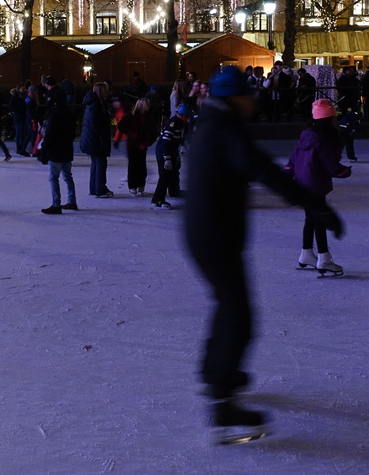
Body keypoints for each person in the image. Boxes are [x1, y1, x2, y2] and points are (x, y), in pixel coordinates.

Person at [184, 66, 344, 444]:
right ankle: (223, 406)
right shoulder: (226, 129)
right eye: (249, 97)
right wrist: (314, 204)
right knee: (239, 316)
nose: (254, 104)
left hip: (206, 234)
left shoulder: (211, 123)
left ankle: (215, 375)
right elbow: (262, 169)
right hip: (215, 237)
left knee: (228, 307)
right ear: (235, 98)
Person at [286, 99, 352, 275]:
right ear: (329, 119)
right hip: (315, 183)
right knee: (319, 218)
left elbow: (293, 157)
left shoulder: (306, 135)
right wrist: (344, 171)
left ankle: (306, 253)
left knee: (310, 218)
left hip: (302, 182)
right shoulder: (323, 140)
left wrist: (289, 170)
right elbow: (330, 165)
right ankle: (324, 258)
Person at [39, 89, 78, 214]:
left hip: (56, 151)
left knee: (53, 178)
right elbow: (73, 133)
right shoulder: (70, 115)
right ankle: (72, 201)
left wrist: (44, 150)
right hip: (67, 150)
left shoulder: (54, 116)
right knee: (68, 177)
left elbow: (49, 135)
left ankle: (56, 204)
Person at [149, 103, 190, 209]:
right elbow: (165, 142)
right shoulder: (173, 123)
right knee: (164, 176)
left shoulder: (180, 123)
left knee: (171, 174)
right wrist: (167, 158)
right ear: (183, 115)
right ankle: (156, 201)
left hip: (171, 151)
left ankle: (166, 197)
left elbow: (176, 141)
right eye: (187, 116)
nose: (188, 119)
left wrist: (176, 155)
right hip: (163, 152)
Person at [114, 97, 157, 195]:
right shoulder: (131, 116)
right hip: (132, 144)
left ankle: (141, 185)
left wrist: (148, 141)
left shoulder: (149, 117)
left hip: (143, 144)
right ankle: (132, 186)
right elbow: (121, 125)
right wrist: (130, 133)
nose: (148, 106)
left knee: (141, 165)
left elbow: (154, 131)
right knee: (133, 165)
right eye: (146, 104)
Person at [80, 81, 113, 198]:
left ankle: (94, 188)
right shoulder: (96, 105)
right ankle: (100, 189)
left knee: (95, 162)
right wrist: (101, 137)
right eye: (105, 90)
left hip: (91, 138)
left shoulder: (93, 103)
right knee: (100, 162)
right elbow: (95, 123)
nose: (107, 92)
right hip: (95, 139)